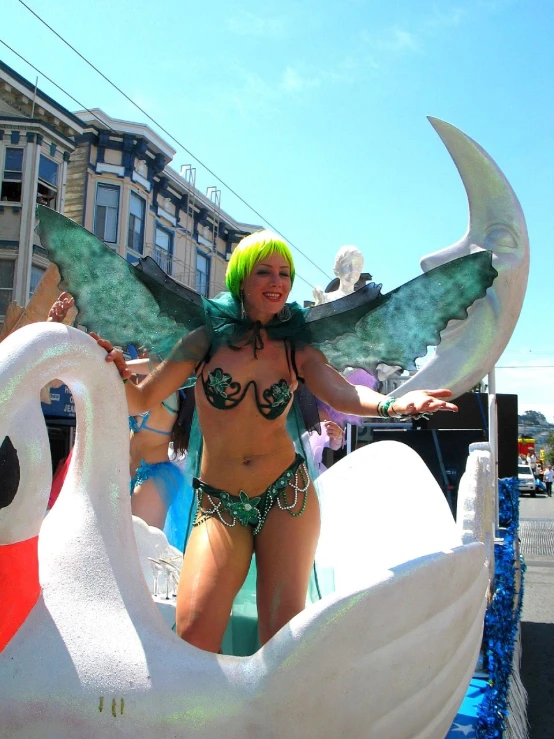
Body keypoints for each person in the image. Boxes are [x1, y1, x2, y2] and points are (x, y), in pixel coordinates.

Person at [95, 230, 457, 653]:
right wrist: (112, 371)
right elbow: (140, 397)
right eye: (264, 271)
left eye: (285, 273)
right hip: (219, 504)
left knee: (280, 642)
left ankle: (266, 720)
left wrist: (394, 405)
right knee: (193, 631)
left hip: (287, 499)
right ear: (242, 279)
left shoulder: (294, 347)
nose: (277, 282)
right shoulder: (204, 339)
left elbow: (343, 393)